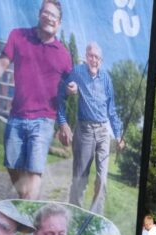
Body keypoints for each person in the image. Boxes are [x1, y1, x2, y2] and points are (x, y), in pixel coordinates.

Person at [0, 0, 72, 200]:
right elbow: (2, 63)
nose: (49, 18)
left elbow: (67, 90)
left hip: (44, 120)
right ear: (39, 14)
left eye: (54, 16)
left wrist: (64, 117)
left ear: (59, 23)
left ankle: (27, 210)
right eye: (46, 13)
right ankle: (28, 205)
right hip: (16, 115)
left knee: (34, 173)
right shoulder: (18, 36)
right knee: (13, 167)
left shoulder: (64, 55)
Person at [58, 42, 124, 214]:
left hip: (103, 132)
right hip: (85, 131)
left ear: (101, 60)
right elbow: (61, 92)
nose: (94, 60)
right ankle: (74, 215)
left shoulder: (106, 79)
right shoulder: (77, 72)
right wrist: (63, 120)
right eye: (91, 56)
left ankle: (94, 218)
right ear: (86, 57)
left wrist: (118, 135)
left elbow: (112, 110)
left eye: (97, 57)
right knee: (80, 179)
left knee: (102, 180)